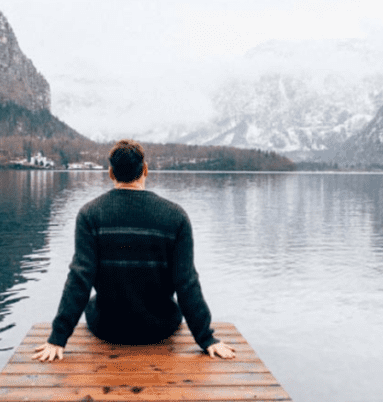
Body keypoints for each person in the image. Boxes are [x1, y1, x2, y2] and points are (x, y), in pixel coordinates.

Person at [33, 139, 235, 362]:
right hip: (160, 328)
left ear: (111, 173)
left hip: (107, 329)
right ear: (145, 170)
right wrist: (206, 339)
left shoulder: (89, 215)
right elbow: (186, 282)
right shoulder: (176, 217)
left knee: (93, 302)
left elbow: (80, 278)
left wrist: (58, 337)